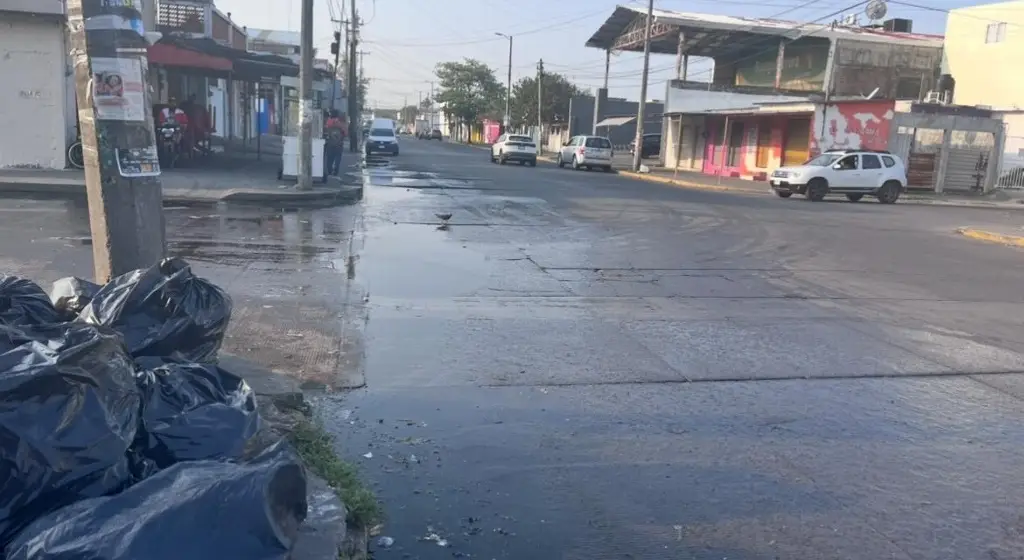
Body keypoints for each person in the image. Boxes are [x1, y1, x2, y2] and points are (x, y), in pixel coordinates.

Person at [324, 110, 346, 177]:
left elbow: (325, 131)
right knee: (338, 158)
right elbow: (345, 133)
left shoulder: (328, 122)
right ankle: (336, 170)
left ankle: (329, 171)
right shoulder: (340, 123)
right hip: (339, 144)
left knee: (329, 158)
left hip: (330, 143)